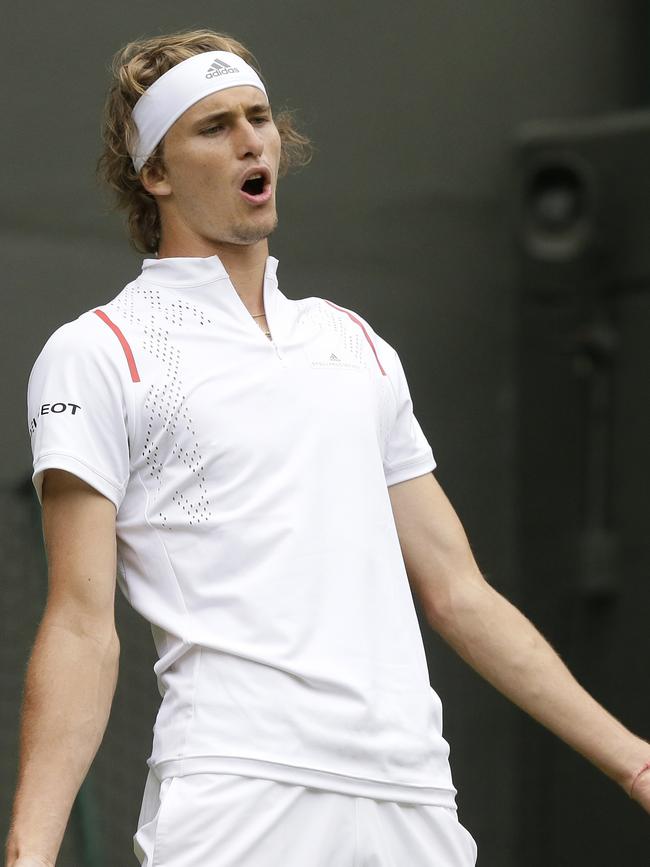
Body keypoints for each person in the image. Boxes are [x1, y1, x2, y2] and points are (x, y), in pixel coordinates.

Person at [6, 27, 650, 867]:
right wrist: (30, 854)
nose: (250, 139)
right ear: (153, 174)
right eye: (213, 126)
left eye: (259, 117)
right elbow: (82, 627)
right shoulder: (99, 351)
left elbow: (459, 591)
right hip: (239, 791)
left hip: (412, 793)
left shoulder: (356, 344)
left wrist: (633, 757)